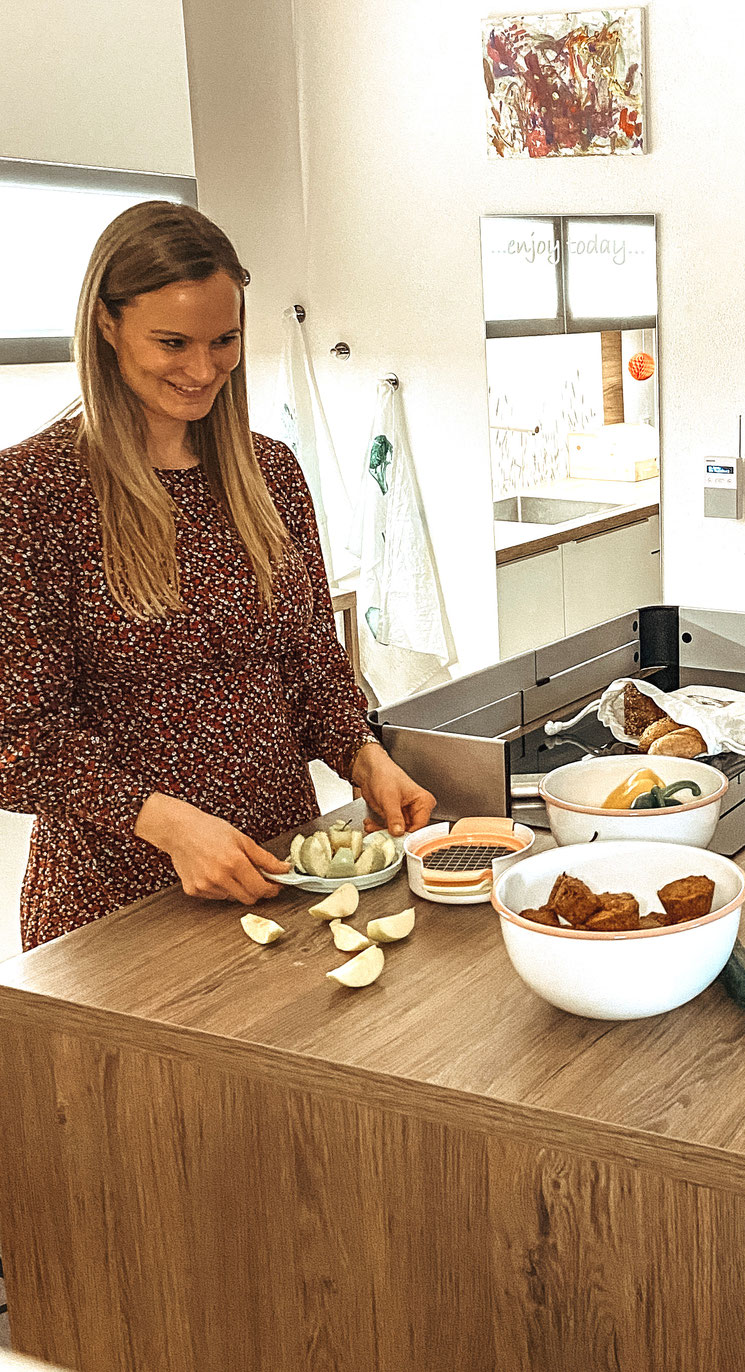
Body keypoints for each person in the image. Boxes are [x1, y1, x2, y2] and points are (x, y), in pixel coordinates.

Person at [0, 201, 435, 949]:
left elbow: (310, 662)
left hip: (284, 867)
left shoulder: (269, 472)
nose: (204, 369)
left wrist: (363, 756)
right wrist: (166, 824)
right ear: (107, 325)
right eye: (172, 342)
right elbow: (18, 740)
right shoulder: (33, 493)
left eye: (225, 340)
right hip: (118, 897)